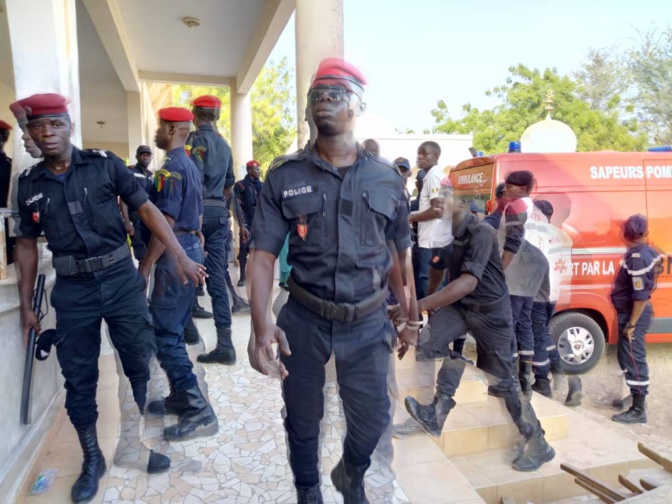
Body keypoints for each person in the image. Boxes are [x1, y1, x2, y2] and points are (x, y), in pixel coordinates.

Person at [13, 93, 205, 503]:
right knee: (79, 377)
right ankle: (92, 458)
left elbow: (149, 211)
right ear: (30, 131)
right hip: (73, 290)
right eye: (38, 126)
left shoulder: (104, 165)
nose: (48, 133)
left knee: (139, 363)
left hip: (120, 279)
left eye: (56, 124)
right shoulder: (28, 185)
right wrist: (28, 306)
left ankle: (138, 444)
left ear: (70, 126)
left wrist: (181, 255)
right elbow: (26, 246)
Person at [247, 58, 417, 504]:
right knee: (303, 420)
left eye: (335, 94)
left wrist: (410, 315)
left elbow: (400, 255)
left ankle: (352, 475)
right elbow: (262, 256)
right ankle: (308, 491)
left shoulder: (386, 179)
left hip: (367, 321)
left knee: (372, 418)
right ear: (307, 110)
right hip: (304, 318)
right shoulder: (284, 176)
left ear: (355, 107)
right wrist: (260, 324)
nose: (323, 101)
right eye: (316, 95)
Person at [403, 192, 556, 472]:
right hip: (461, 309)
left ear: (463, 206)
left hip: (491, 315)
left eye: (443, 203)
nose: (437, 207)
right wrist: (434, 298)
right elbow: (438, 267)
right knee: (428, 344)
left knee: (504, 383)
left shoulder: (481, 232)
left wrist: (420, 306)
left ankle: (539, 443)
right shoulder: (445, 233)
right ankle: (435, 410)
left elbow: (467, 283)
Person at [138, 107, 218, 440]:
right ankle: (179, 396)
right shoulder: (190, 165)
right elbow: (195, 218)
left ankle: (198, 409)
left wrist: (145, 267)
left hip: (174, 256)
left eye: (159, 128)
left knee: (165, 336)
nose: (155, 134)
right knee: (172, 331)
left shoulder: (170, 169)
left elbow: (166, 223)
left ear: (172, 130)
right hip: (188, 249)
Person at [183, 94, 238, 365]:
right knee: (216, 277)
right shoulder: (225, 145)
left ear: (194, 114)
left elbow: (192, 178)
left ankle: (186, 333)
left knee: (182, 268)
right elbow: (230, 184)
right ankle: (225, 344)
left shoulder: (195, 141)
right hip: (218, 211)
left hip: (198, 212)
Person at [498, 170, 550, 395]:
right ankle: (525, 380)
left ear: (522, 188)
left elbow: (513, 241)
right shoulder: (537, 210)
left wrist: (499, 271)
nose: (506, 188)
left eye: (510, 186)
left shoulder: (516, 206)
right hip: (535, 272)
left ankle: (508, 381)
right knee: (524, 324)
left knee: (507, 324)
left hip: (516, 271)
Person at [610, 214, 660, 424]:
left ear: (624, 233)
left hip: (634, 315)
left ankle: (639, 410)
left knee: (634, 359)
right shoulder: (649, 252)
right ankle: (633, 395)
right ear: (646, 233)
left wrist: (631, 324)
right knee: (626, 357)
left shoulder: (638, 258)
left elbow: (640, 295)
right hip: (636, 312)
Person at [409, 141, 448, 300]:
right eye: (419, 153)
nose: (420, 157)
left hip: (432, 240)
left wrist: (411, 217)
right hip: (433, 238)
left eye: (425, 154)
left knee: (427, 280)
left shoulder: (434, 177)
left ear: (436, 156)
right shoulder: (432, 176)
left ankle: (433, 320)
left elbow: (437, 210)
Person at [120, 145, 154, 261]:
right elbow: (124, 198)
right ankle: (142, 278)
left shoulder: (151, 176)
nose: (145, 157)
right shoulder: (131, 172)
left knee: (150, 254)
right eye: (142, 154)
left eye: (148, 155)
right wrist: (126, 222)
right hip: (136, 220)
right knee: (141, 256)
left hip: (149, 221)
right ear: (137, 156)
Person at [234, 159, 263, 286]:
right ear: (250, 171)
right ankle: (242, 276)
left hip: (259, 222)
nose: (259, 171)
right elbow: (237, 206)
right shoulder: (240, 186)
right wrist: (242, 224)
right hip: (246, 222)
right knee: (243, 251)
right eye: (256, 170)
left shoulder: (262, 186)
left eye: (259, 169)